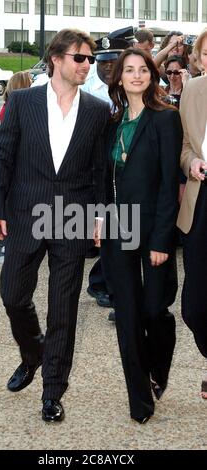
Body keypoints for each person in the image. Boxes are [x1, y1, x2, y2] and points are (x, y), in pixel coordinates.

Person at [0, 28, 109, 422]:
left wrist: (101, 216)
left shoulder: (96, 110)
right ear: (56, 58)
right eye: (80, 57)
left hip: (72, 217)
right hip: (24, 213)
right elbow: (1, 158)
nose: (86, 65)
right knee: (12, 295)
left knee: (64, 310)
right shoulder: (22, 102)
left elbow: (100, 172)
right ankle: (32, 352)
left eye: (89, 59)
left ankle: (53, 391)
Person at [102, 48, 183, 423]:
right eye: (129, 70)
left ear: (152, 76)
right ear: (118, 78)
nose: (136, 76)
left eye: (143, 70)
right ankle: (140, 402)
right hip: (119, 228)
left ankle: (159, 368)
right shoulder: (113, 122)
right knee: (129, 316)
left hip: (152, 229)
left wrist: (162, 240)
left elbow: (170, 183)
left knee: (155, 310)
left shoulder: (165, 120)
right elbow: (104, 180)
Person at [82, 29, 135, 311]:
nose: (106, 67)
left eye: (112, 62)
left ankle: (113, 289)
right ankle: (106, 284)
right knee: (106, 234)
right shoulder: (87, 89)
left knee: (123, 235)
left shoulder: (136, 84)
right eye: (102, 62)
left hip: (126, 173)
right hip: (97, 173)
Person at [177, 28, 207, 399]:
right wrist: (192, 163)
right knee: (196, 306)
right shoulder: (193, 90)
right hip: (202, 201)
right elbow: (184, 145)